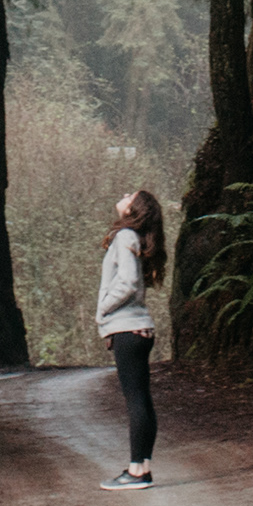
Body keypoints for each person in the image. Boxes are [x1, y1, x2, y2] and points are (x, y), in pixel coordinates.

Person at [96, 187, 164, 489]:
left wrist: (103, 311)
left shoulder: (125, 237)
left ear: (133, 210)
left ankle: (136, 472)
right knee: (142, 399)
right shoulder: (134, 238)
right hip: (140, 329)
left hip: (127, 328)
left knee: (135, 399)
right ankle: (143, 466)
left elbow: (127, 283)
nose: (122, 195)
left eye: (129, 195)